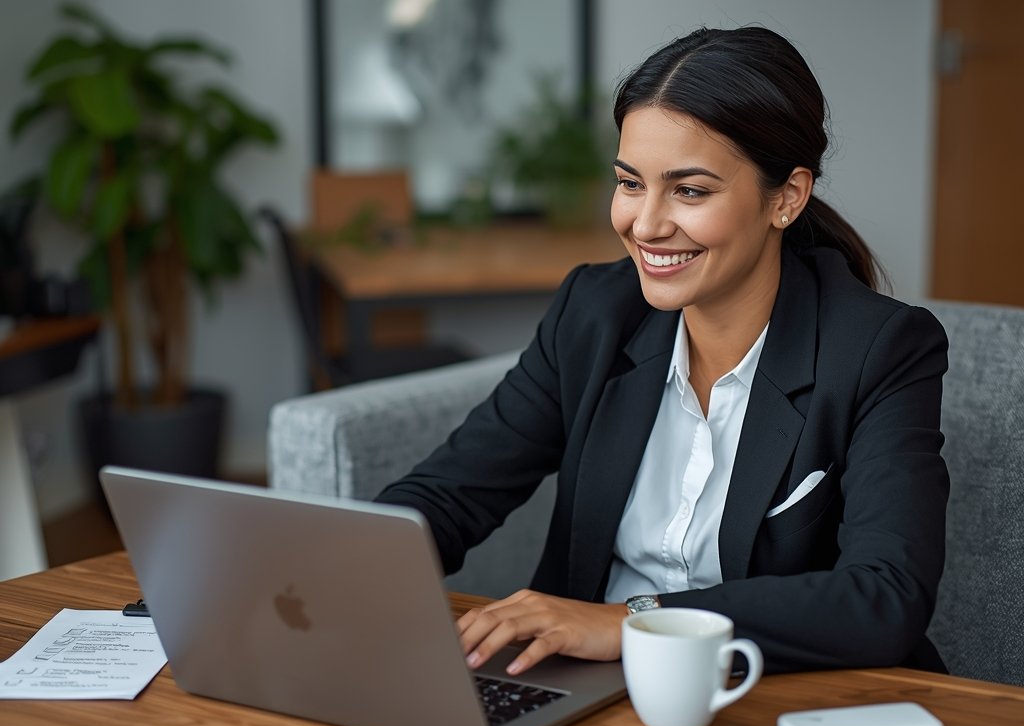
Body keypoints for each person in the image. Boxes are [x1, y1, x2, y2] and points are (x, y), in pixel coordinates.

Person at [376, 26, 949, 677]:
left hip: (769, 693)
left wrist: (633, 619)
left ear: (786, 197)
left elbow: (884, 597)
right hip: (582, 686)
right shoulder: (593, 313)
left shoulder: (879, 349)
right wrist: (339, 563)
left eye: (690, 190)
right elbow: (453, 494)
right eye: (629, 183)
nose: (645, 225)